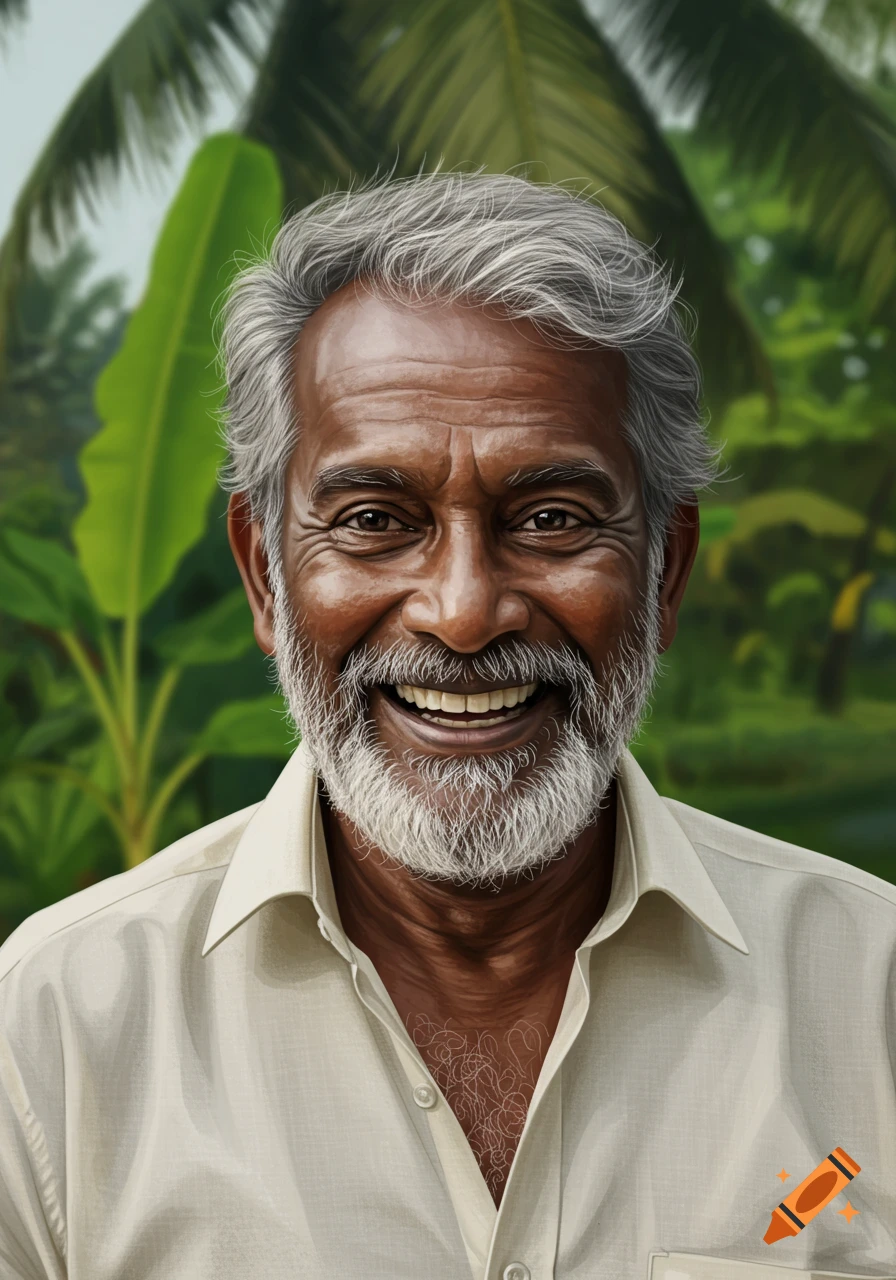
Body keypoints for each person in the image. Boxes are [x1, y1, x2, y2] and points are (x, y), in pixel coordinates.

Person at [1, 173, 894, 1280]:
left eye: (552, 518)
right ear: (265, 576)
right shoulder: (49, 1035)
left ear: (664, 570)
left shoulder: (871, 997)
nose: (463, 611)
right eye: (375, 520)